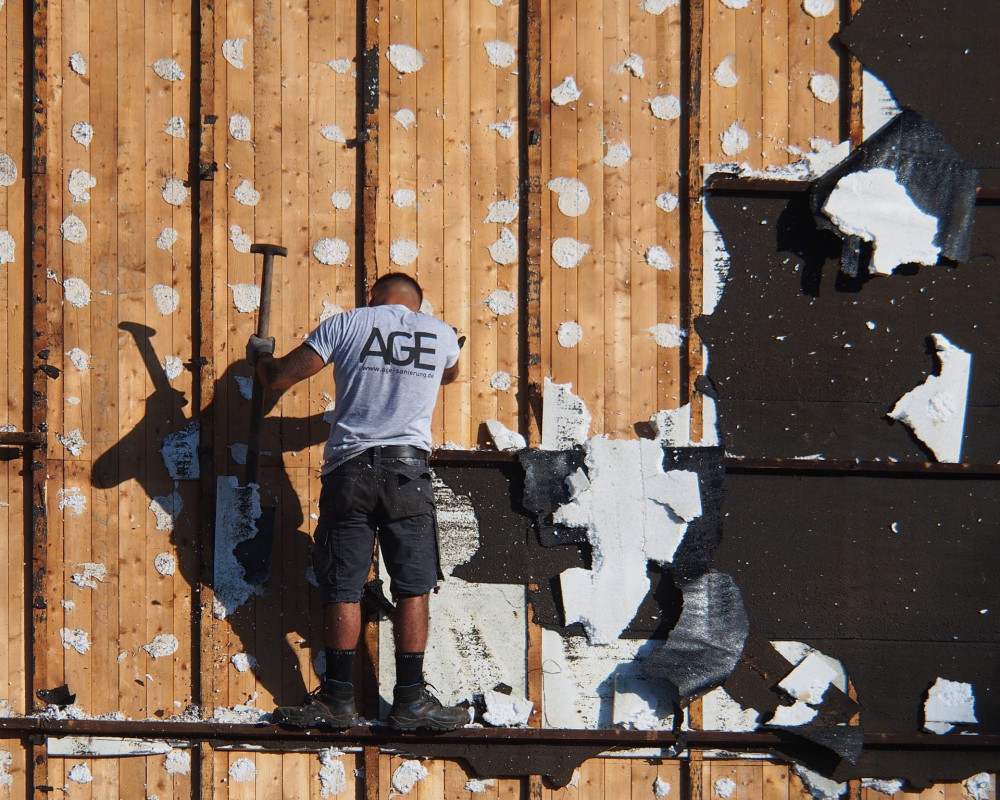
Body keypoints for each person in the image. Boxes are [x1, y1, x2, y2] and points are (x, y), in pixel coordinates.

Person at [246, 272, 468, 731]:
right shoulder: (442, 333)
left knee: (343, 586)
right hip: (409, 475)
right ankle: (410, 701)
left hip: (350, 473)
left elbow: (278, 379)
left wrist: (262, 357)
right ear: (417, 303)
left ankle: (336, 702)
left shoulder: (347, 323)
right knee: (413, 586)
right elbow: (451, 372)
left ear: (371, 296)